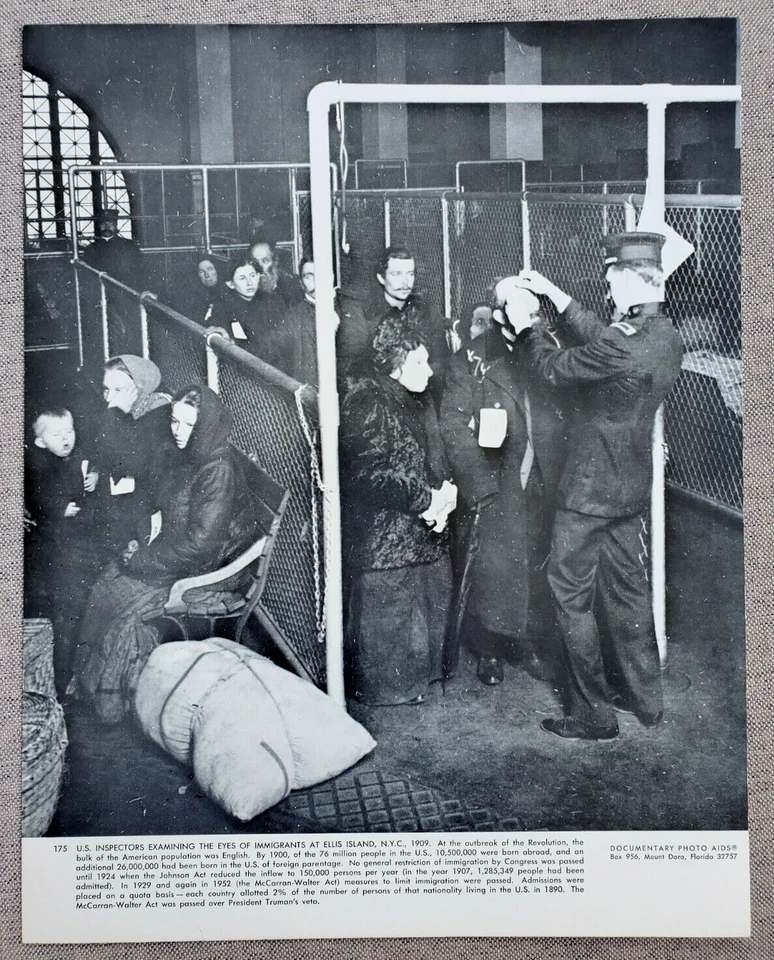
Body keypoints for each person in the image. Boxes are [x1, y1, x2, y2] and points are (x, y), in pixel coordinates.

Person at [503, 232, 684, 741]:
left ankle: (593, 715)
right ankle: (646, 700)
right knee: (628, 592)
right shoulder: (665, 334)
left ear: (628, 279)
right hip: (629, 490)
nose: (605, 286)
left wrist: (527, 324)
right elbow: (605, 335)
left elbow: (552, 369)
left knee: (571, 595)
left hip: (587, 493)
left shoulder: (621, 347)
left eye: (609, 278)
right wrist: (556, 295)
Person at [72, 385, 262, 724]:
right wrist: (142, 541)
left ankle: (119, 703)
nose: (178, 431)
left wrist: (143, 559)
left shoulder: (215, 470)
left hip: (210, 569)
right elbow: (165, 508)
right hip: (183, 555)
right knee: (107, 583)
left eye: (188, 425)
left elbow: (203, 544)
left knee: (125, 609)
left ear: (205, 426)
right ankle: (102, 687)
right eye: (174, 421)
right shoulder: (187, 455)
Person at [440, 287, 567, 686]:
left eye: (532, 311)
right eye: (516, 311)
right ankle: (490, 648)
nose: (528, 320)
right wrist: (479, 486)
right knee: (494, 571)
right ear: (499, 316)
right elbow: (453, 425)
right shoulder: (473, 359)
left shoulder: (550, 351)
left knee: (538, 563)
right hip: (497, 482)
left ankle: (528, 640)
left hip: (545, 480)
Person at [340, 314, 457, 706]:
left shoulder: (412, 396)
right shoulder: (367, 403)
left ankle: (418, 683)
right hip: (385, 539)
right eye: (419, 363)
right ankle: (394, 693)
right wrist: (426, 499)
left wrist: (444, 492)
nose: (430, 370)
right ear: (394, 365)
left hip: (419, 533)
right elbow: (366, 478)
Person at [24, 407, 103, 695]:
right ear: (40, 441)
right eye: (57, 435)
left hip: (74, 538)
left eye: (69, 431)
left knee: (73, 598)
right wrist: (57, 507)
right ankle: (57, 676)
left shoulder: (74, 453)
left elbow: (91, 465)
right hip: (52, 541)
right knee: (61, 602)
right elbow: (34, 493)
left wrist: (94, 475)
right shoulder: (36, 462)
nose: (66, 439)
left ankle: (67, 671)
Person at [337, 246, 457, 394]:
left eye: (410, 274)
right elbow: (354, 368)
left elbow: (440, 362)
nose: (405, 282)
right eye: (396, 274)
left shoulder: (426, 312)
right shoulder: (365, 316)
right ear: (381, 278)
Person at [93, 355, 173, 553]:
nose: (110, 398)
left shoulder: (161, 412)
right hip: (130, 499)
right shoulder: (130, 408)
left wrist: (115, 414)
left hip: (154, 506)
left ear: (141, 385)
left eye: (119, 390)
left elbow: (132, 462)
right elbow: (102, 455)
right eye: (106, 389)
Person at [210, 252, 292, 371]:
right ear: (230, 284)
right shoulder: (223, 308)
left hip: (275, 368)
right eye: (242, 278)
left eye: (252, 275)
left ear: (259, 276)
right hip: (243, 371)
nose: (249, 283)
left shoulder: (274, 302)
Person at [285, 258, 339, 386]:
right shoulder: (292, 317)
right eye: (309, 276)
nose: (317, 281)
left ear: (331, 276)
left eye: (321, 274)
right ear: (301, 282)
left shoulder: (351, 307)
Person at [249, 236, 304, 308]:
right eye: (255, 262)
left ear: (275, 261)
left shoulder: (292, 285)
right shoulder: (248, 289)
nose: (259, 267)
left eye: (265, 261)